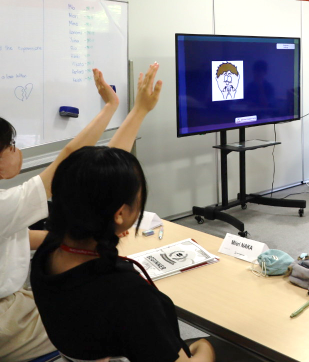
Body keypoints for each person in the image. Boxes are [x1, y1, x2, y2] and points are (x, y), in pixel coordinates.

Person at [30, 65, 217, 362]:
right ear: (119, 214)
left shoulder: (49, 252)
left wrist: (138, 110)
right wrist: (206, 348)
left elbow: (98, 181)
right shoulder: (124, 291)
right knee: (207, 344)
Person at [0, 67, 136, 361]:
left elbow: (14, 236)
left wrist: (68, 235)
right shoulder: (4, 205)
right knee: (101, 322)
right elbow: (70, 155)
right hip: (5, 318)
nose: (16, 151)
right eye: (11, 146)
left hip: (14, 299)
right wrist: (112, 106)